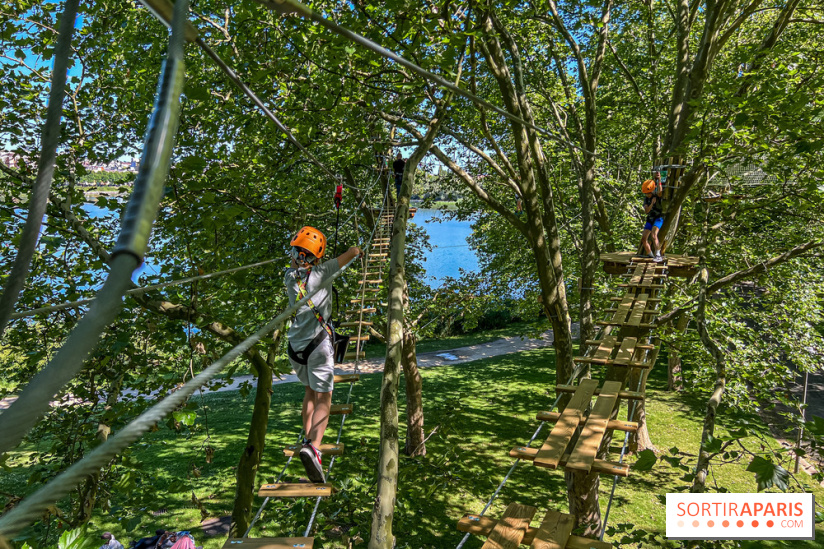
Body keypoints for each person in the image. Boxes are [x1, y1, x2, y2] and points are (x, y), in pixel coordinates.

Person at [285, 226, 361, 483]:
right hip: (318, 345)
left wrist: (303, 257)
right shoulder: (323, 271)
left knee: (309, 392)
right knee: (324, 397)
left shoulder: (289, 277)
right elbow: (351, 253)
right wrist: (357, 251)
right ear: (316, 257)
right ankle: (314, 449)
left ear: (296, 254)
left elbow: (299, 264)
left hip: (295, 347)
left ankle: (308, 441)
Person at [640, 171, 664, 262]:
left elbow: (660, 192)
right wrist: (651, 204)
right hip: (650, 219)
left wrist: (659, 179)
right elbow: (646, 211)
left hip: (658, 218)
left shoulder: (657, 195)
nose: (648, 195)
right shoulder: (646, 199)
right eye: (646, 193)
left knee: (654, 234)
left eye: (649, 193)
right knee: (644, 239)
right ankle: (651, 255)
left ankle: (658, 255)